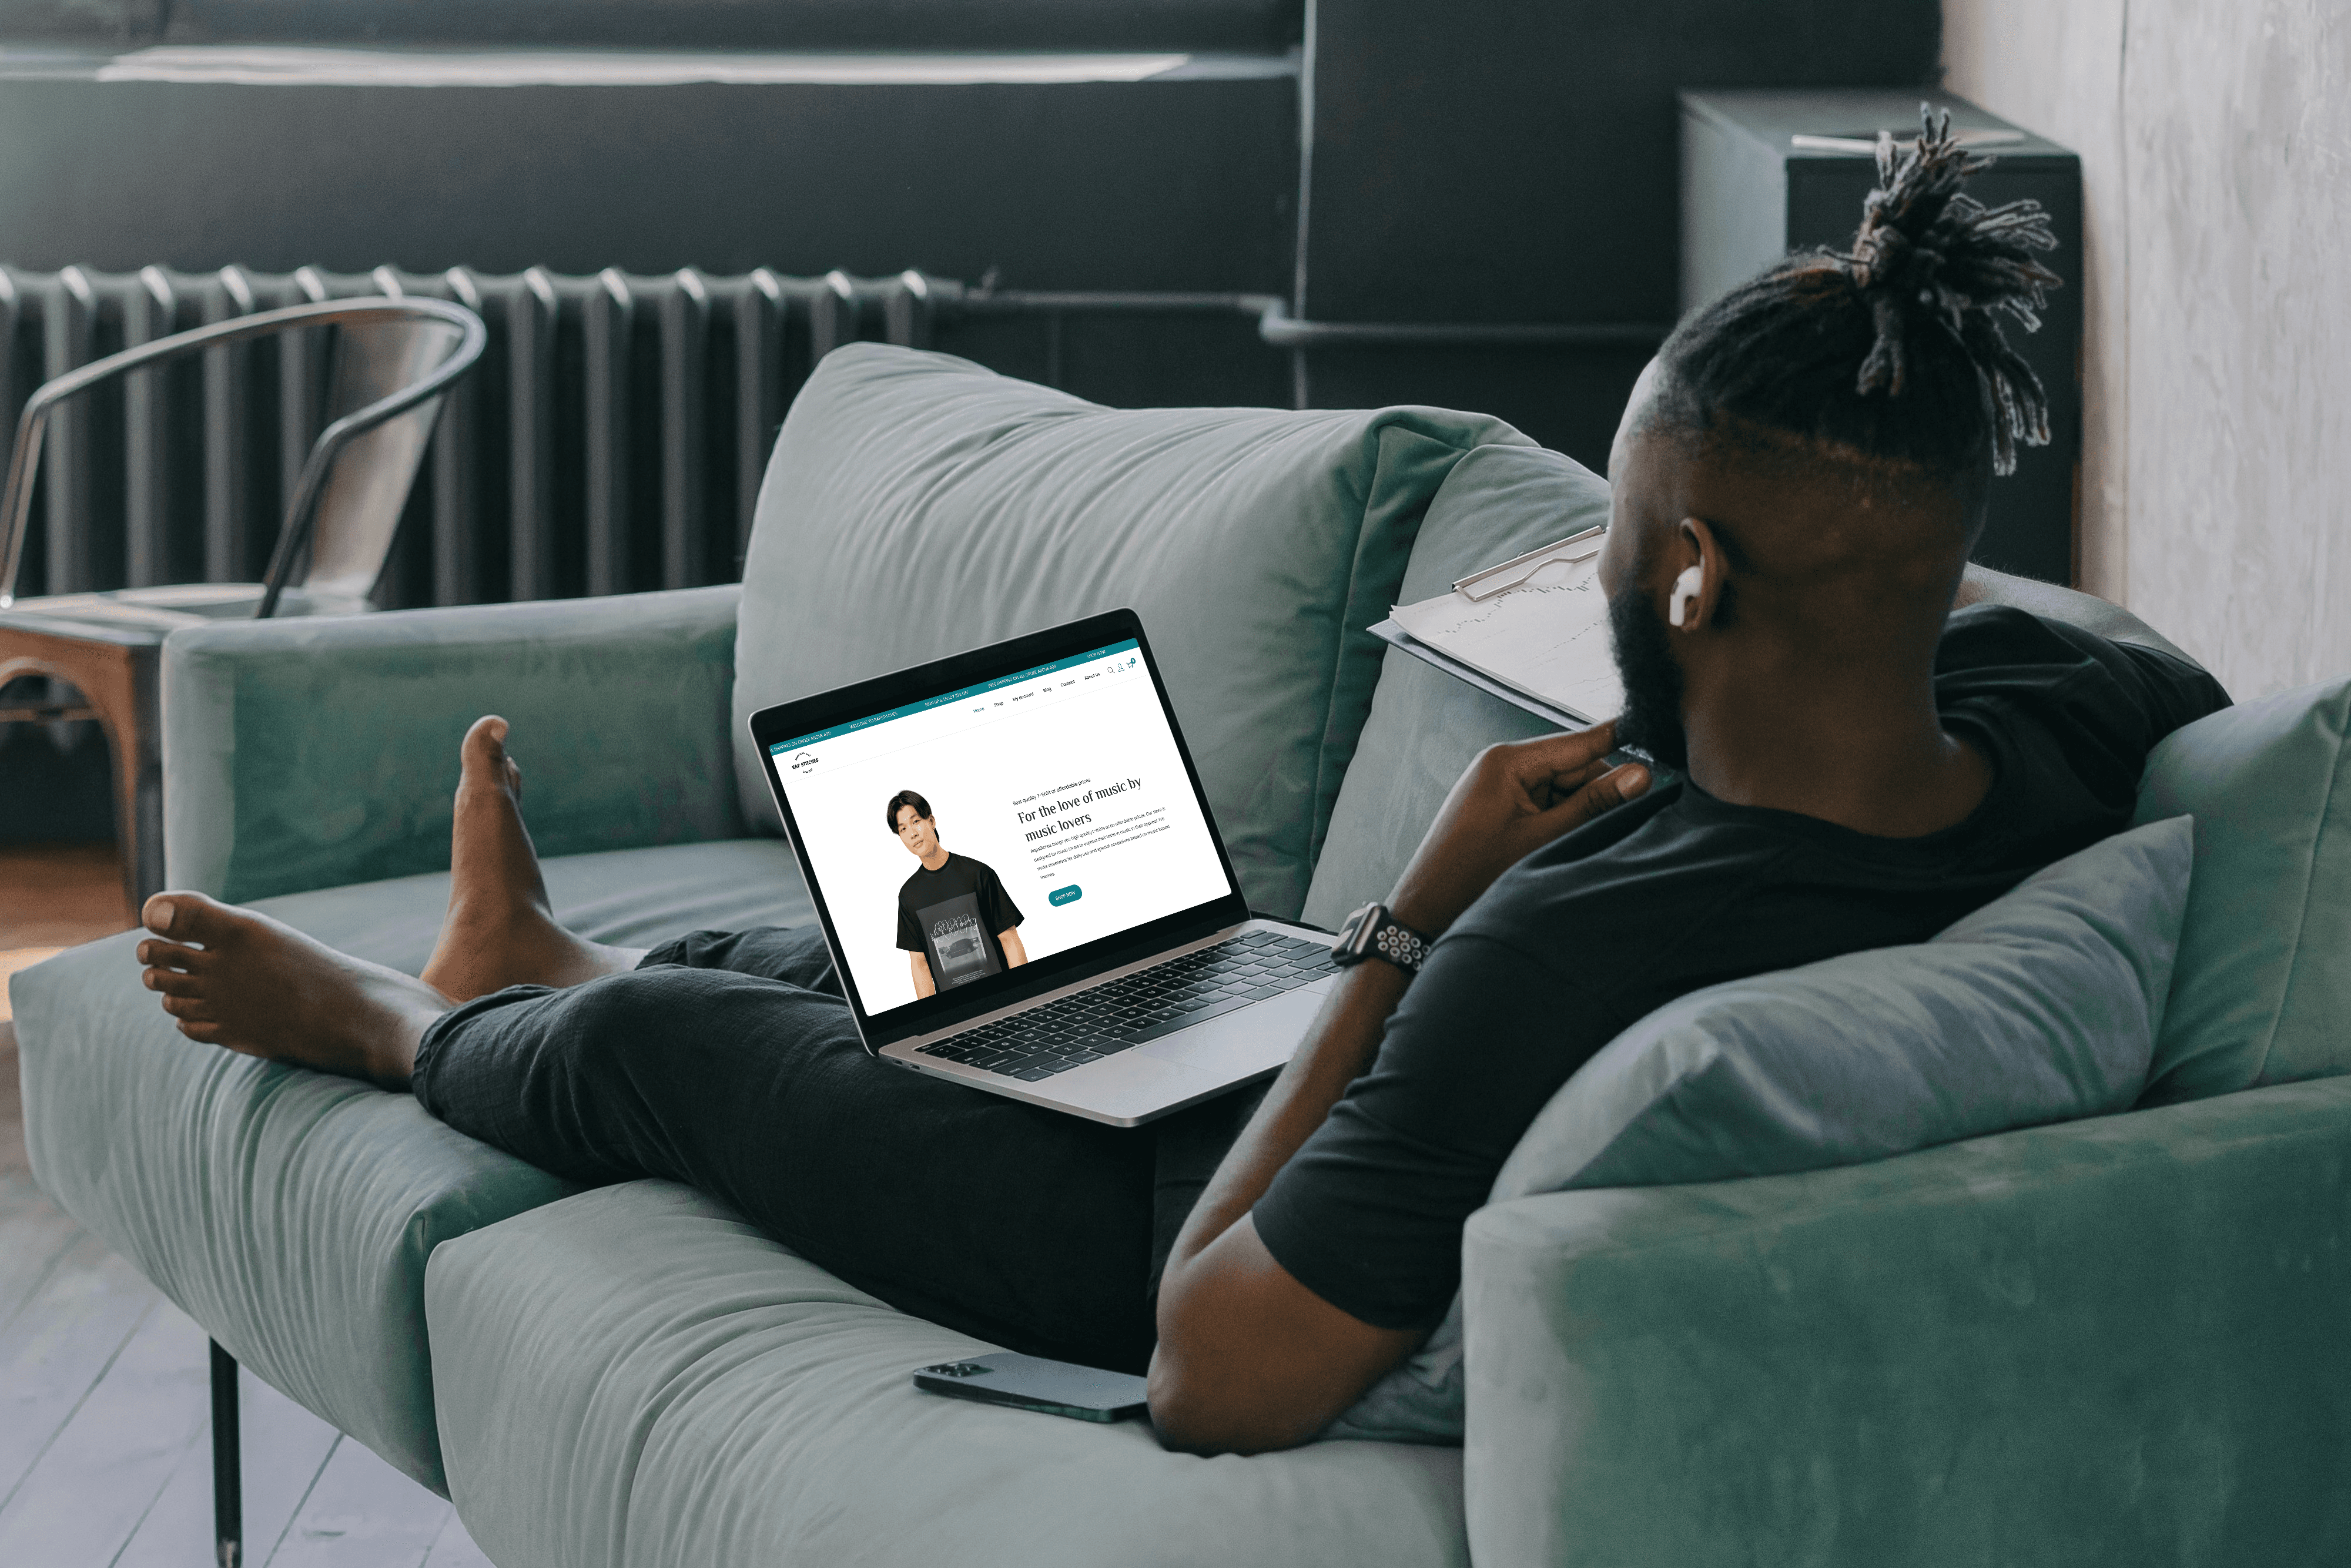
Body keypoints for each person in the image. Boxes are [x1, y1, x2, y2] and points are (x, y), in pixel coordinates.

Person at [130, 115, 2227, 1456]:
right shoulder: (2056, 723)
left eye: (1610, 527)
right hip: (1294, 1016)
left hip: (1126, 1209)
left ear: (1684, 576)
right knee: (827, 936)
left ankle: (409, 1019)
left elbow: (1210, 1364)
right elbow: (2086, 653)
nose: (1591, 558)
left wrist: (1405, 920)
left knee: (675, 1040)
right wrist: (1374, 949)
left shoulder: (1563, 947)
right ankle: (542, 953)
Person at [886, 789, 1027, 999]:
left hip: (1001, 998)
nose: (912, 833)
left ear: (931, 822)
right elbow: (920, 964)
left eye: (915, 822)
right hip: (956, 1012)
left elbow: (1009, 939)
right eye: (903, 829)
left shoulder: (978, 874)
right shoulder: (909, 896)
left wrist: (1023, 998)